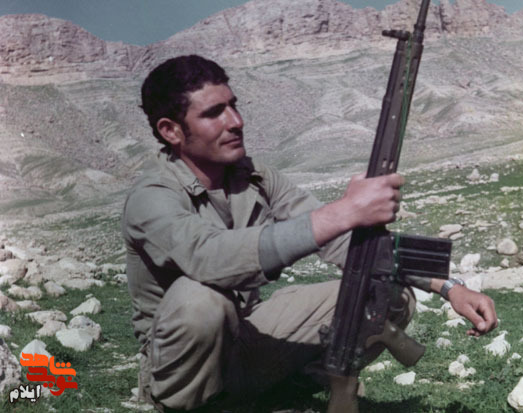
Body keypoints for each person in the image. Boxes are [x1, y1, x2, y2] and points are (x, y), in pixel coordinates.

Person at [121, 55, 498, 412]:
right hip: (186, 365)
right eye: (213, 113)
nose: (235, 121)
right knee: (200, 299)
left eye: (233, 106)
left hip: (247, 338)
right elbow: (210, 257)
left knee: (385, 294)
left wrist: (449, 287)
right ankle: (189, 406)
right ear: (170, 131)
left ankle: (292, 390)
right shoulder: (151, 196)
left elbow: (344, 242)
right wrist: (343, 211)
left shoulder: (255, 177)